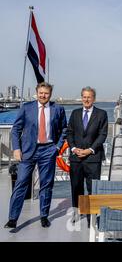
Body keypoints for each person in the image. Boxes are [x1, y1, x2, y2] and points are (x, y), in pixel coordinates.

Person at [4, 82, 67, 229]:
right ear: (36, 92)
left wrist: (57, 147)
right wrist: (17, 149)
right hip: (28, 151)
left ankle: (44, 216)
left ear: (50, 94)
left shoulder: (58, 109)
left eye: (46, 93)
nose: (43, 96)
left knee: (46, 184)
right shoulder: (27, 108)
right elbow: (16, 130)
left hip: (48, 150)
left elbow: (64, 129)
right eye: (41, 93)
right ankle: (13, 218)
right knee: (21, 183)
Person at [66, 86, 108, 223]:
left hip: (93, 158)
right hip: (76, 157)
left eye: (89, 97)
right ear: (81, 97)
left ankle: (92, 217)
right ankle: (77, 213)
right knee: (76, 187)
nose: (86, 99)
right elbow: (70, 132)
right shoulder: (75, 113)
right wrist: (73, 149)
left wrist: (90, 150)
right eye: (84, 96)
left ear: (94, 99)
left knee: (92, 188)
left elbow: (102, 135)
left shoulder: (101, 114)